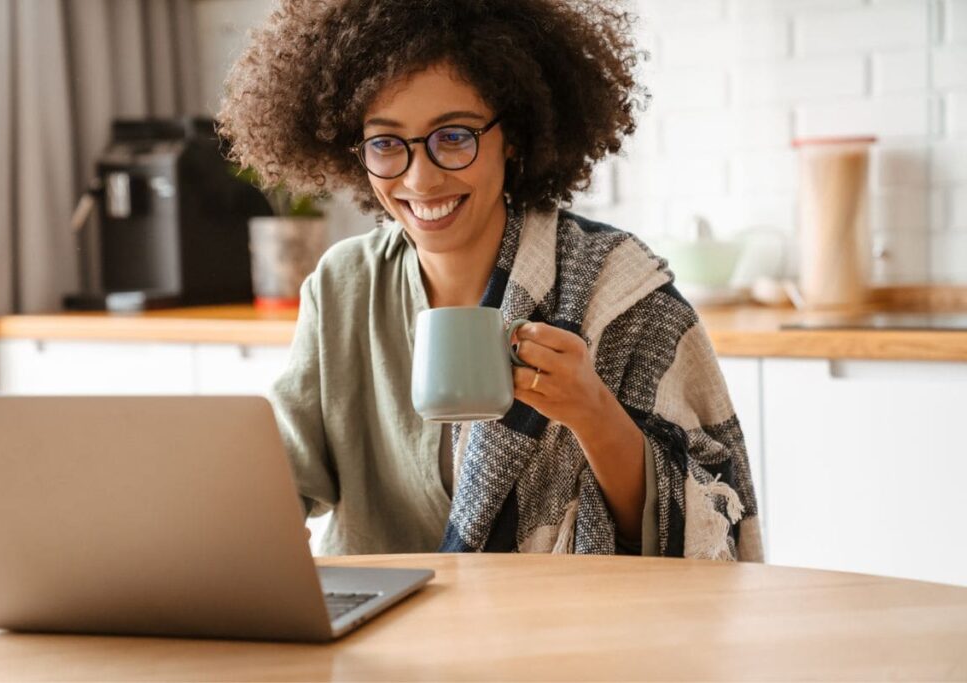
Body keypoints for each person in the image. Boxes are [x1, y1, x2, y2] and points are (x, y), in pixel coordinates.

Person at [218, 0, 763, 561]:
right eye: (385, 143)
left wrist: (592, 412)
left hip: (559, 631)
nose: (420, 178)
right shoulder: (343, 284)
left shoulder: (615, 291)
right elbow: (279, 476)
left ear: (515, 138)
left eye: (452, 136)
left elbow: (702, 531)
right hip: (379, 631)